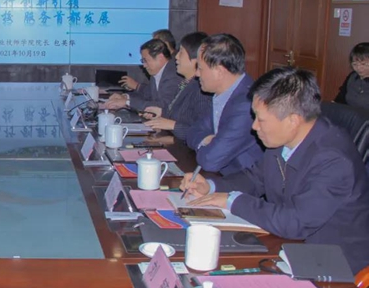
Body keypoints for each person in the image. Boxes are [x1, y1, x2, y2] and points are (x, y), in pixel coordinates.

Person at [181, 67, 369, 274]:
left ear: (293, 120)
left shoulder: (334, 159)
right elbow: (255, 178)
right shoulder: (284, 140)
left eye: (260, 119)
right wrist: (211, 186)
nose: (254, 126)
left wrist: (233, 200)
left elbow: (296, 222)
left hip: (334, 267)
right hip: (289, 247)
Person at [185, 33, 263, 175]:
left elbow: (210, 160)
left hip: (241, 182)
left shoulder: (247, 104)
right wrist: (205, 140)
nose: (196, 74)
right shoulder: (222, 95)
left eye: (200, 68)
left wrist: (207, 146)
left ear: (220, 71)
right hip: (221, 177)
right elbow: (191, 131)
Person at [144, 32, 212, 141]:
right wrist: (161, 113)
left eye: (181, 53)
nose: (176, 57)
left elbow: (202, 133)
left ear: (196, 59)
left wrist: (173, 125)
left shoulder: (201, 91)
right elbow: (180, 115)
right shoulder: (185, 83)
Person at [105, 39, 183, 111]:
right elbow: (149, 95)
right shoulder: (156, 72)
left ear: (160, 57)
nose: (144, 65)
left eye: (146, 60)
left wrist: (127, 102)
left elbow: (163, 106)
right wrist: (125, 97)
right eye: (143, 61)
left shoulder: (173, 75)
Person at [335, 42, 369, 110]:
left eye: (363, 64)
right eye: (355, 64)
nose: (358, 68)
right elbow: (341, 98)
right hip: (349, 114)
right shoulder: (352, 76)